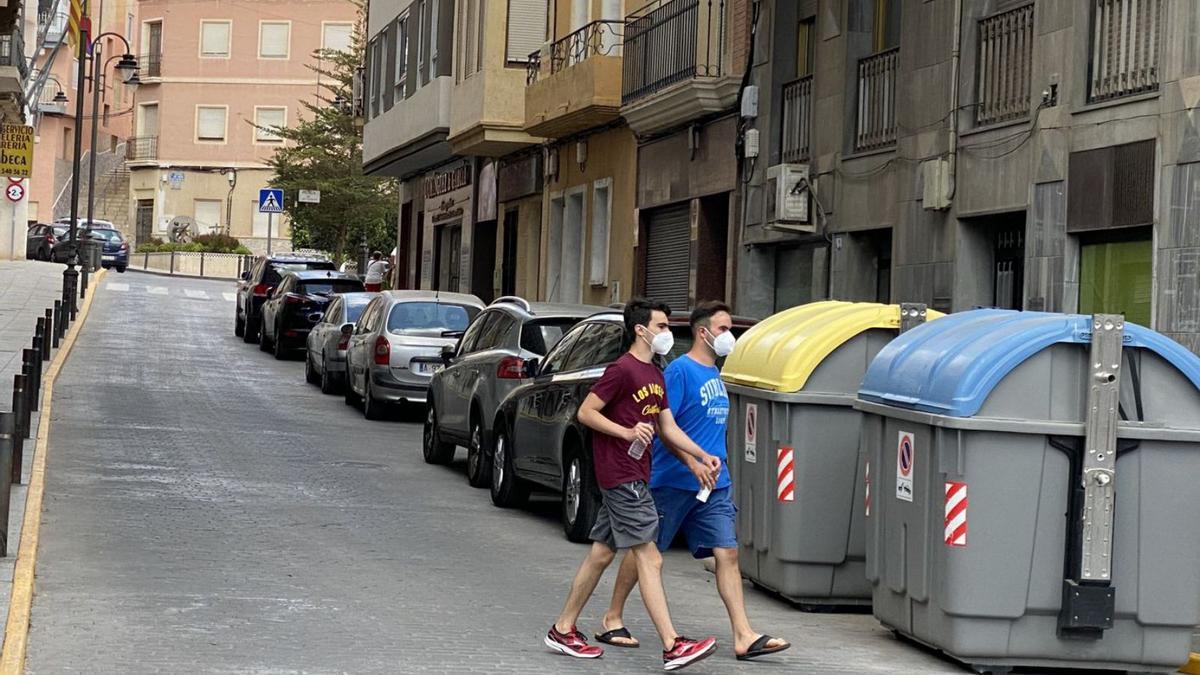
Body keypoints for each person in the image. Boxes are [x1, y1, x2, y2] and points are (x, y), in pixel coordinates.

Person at [598, 302, 791, 662]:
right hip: (673, 481)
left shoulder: (717, 375)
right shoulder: (680, 373)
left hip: (714, 482)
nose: (728, 336)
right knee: (645, 550)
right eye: (722, 329)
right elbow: (663, 427)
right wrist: (691, 461)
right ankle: (613, 615)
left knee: (728, 553)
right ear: (703, 333)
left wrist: (712, 465)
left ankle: (743, 635)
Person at [545, 298, 723, 671]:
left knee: (602, 553)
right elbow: (586, 412)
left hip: (635, 473)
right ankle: (673, 644)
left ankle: (563, 629)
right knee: (650, 555)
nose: (666, 333)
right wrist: (626, 432)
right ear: (640, 330)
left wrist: (700, 456)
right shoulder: (621, 370)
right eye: (660, 326)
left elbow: (668, 428)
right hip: (620, 474)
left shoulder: (656, 373)